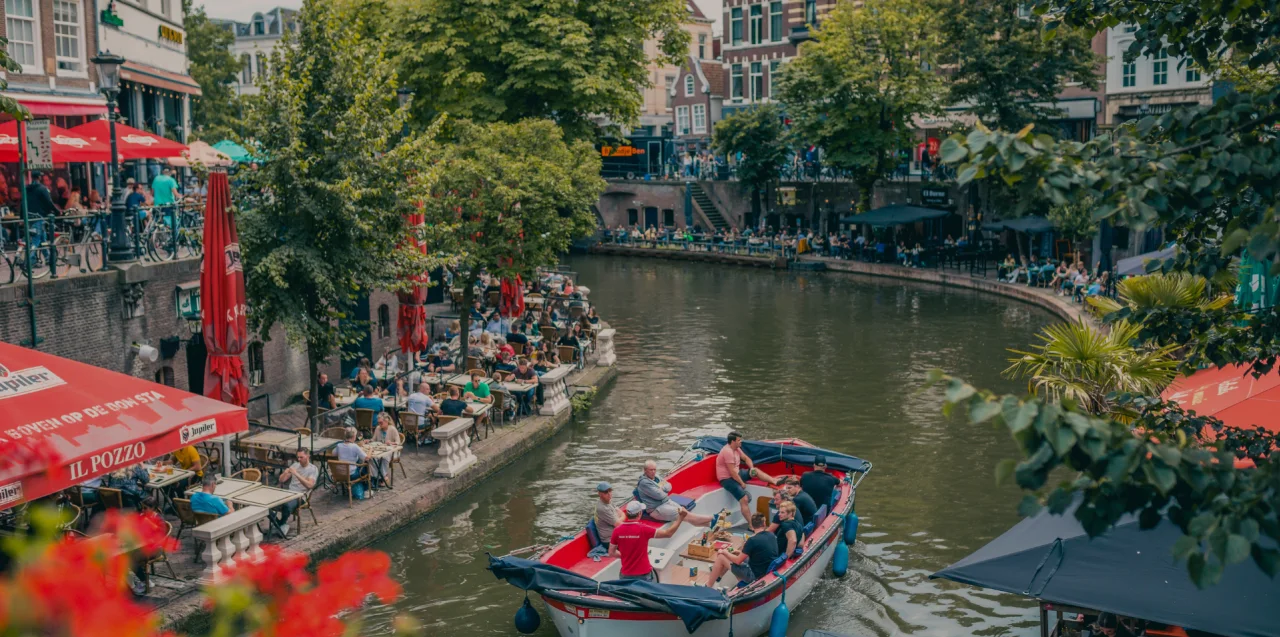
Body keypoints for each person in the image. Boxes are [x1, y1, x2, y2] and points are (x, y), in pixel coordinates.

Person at [608, 501, 687, 582]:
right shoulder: (643, 529)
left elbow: (611, 552)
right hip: (644, 574)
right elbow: (668, 534)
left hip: (625, 575)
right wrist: (680, 518)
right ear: (639, 513)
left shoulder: (617, 531)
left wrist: (626, 556)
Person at [703, 513, 777, 588]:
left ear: (752, 525)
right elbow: (758, 553)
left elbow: (738, 561)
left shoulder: (752, 540)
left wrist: (724, 552)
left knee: (721, 557)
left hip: (754, 576)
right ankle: (718, 576)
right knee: (734, 554)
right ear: (764, 524)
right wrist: (737, 552)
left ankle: (708, 586)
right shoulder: (771, 535)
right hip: (765, 570)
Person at [717, 432, 777, 523]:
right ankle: (751, 525)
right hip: (727, 479)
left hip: (736, 474)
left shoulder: (737, 449)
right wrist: (742, 483)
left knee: (756, 471)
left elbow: (746, 459)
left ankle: (775, 481)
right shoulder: (727, 452)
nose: (741, 441)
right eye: (739, 440)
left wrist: (751, 468)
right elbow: (732, 472)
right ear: (733, 441)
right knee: (744, 499)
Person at [635, 460, 713, 526]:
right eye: (651, 470)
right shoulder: (644, 483)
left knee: (685, 513)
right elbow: (660, 496)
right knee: (685, 515)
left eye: (654, 469)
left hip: (667, 502)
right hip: (657, 509)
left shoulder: (657, 477)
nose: (653, 472)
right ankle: (713, 518)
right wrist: (663, 489)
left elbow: (669, 485)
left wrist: (661, 488)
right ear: (645, 470)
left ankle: (711, 524)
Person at [272, 449, 318, 537]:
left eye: (301, 457)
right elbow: (281, 480)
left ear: (308, 456)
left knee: (287, 506)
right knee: (268, 504)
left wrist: (296, 474)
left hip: (301, 496)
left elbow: (309, 485)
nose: (299, 459)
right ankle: (280, 525)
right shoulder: (295, 465)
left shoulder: (313, 469)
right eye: (298, 457)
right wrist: (285, 473)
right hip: (290, 493)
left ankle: (280, 524)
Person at [334, 427, 371, 500]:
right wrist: (370, 449)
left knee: (358, 465)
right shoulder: (354, 446)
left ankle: (354, 488)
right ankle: (366, 489)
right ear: (354, 437)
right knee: (366, 467)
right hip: (351, 474)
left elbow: (333, 454)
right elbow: (367, 458)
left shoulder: (339, 445)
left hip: (341, 473)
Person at [593, 482, 622, 548]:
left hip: (616, 535)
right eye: (606, 492)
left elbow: (621, 514)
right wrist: (621, 517)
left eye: (610, 491)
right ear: (600, 494)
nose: (609, 494)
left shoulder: (609, 501)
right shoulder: (602, 508)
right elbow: (619, 524)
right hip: (609, 541)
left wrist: (621, 517)